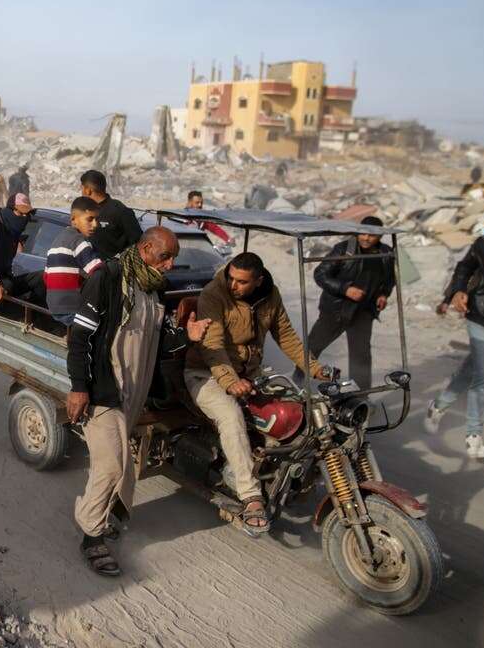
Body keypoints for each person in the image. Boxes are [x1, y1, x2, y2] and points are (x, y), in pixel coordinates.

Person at [67, 227, 208, 575]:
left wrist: (184, 337)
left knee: (124, 461)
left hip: (134, 391)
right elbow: (80, 335)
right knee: (111, 464)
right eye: (165, 257)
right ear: (145, 249)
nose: (171, 265)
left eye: (174, 258)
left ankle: (111, 514)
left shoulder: (152, 289)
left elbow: (157, 343)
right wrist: (79, 387)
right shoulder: (109, 278)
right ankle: (91, 536)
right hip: (104, 389)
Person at [185, 252, 324, 537]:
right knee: (231, 415)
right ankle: (251, 497)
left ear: (258, 281)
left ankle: (289, 471)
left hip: (250, 373)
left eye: (242, 282)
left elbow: (285, 336)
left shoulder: (269, 295)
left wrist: (314, 368)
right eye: (231, 278)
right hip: (206, 373)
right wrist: (230, 381)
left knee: (295, 406)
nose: (234, 285)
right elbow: (212, 346)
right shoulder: (215, 294)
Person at [425, 204, 484, 458]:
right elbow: (464, 268)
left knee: (472, 368)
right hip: (479, 313)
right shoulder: (483, 244)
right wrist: (459, 290)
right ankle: (473, 435)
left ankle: (438, 406)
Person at [305, 216, 395, 389]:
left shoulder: (385, 253)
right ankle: (299, 384)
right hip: (336, 310)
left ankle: (359, 395)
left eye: (372, 235)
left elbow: (389, 279)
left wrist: (383, 294)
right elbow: (320, 274)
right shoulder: (344, 250)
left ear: (380, 236)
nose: (366, 238)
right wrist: (345, 289)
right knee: (313, 348)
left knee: (361, 356)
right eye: (363, 234)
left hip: (363, 312)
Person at [44, 197, 103, 325]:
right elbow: (98, 272)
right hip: (73, 308)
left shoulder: (56, 241)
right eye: (90, 219)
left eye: (97, 219)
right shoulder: (78, 241)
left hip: (55, 308)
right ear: (74, 220)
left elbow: (46, 277)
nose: (95, 224)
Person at [80, 170, 143, 259]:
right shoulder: (83, 212)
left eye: (81, 189)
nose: (81, 193)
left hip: (115, 270)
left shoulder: (120, 211)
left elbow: (139, 244)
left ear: (88, 190)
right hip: (89, 269)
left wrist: (117, 262)